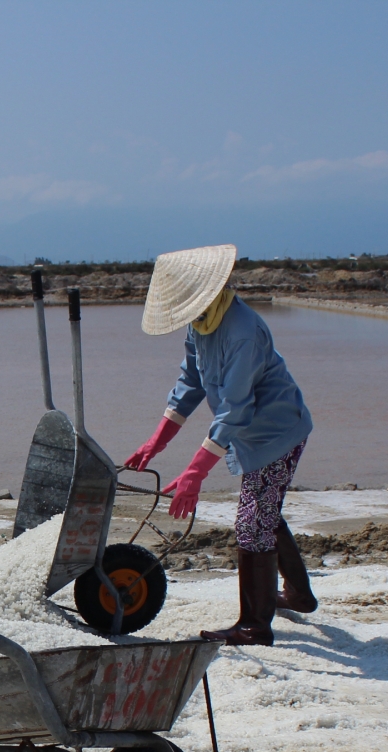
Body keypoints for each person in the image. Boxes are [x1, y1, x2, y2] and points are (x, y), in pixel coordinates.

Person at [123, 244, 318, 645]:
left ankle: (254, 626)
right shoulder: (201, 322)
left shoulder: (242, 331)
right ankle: (299, 595)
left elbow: (234, 408)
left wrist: (194, 474)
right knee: (264, 512)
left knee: (252, 523)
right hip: (246, 432)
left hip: (276, 432)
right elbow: (191, 382)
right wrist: (155, 442)